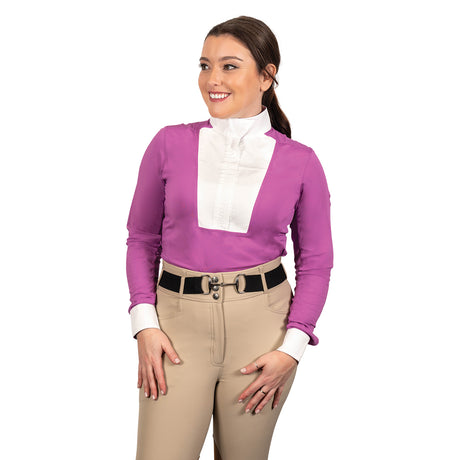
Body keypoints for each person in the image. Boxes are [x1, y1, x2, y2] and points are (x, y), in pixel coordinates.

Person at [125, 15, 334, 460]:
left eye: (229, 66)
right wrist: (144, 323)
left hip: (263, 330)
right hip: (175, 328)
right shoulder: (168, 144)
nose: (212, 80)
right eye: (205, 66)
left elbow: (316, 261)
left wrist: (293, 348)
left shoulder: (301, 162)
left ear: (266, 76)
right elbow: (142, 238)